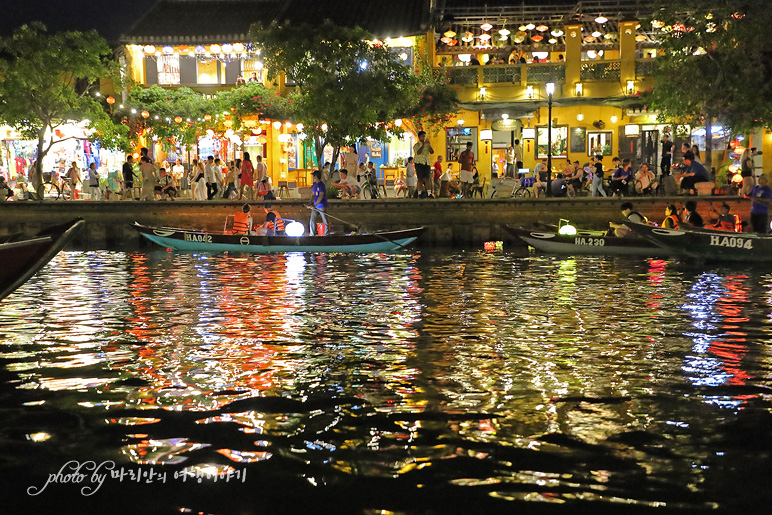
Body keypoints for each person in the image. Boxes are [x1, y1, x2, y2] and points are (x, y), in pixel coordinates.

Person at [413, 130, 434, 198]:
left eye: (424, 136)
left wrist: (429, 145)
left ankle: (429, 193)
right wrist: (423, 145)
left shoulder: (427, 145)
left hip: (426, 163)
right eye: (422, 136)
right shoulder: (416, 145)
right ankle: (419, 193)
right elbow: (418, 152)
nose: (424, 138)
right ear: (419, 137)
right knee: (420, 179)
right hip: (419, 163)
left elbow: (432, 151)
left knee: (427, 178)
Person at [308, 170, 328, 235]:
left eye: (313, 176)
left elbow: (321, 196)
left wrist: (315, 205)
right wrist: (310, 202)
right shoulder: (314, 184)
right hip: (315, 204)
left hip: (321, 205)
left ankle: (326, 234)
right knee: (312, 220)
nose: (312, 177)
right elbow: (313, 194)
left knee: (325, 220)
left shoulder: (321, 185)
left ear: (316, 177)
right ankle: (312, 234)